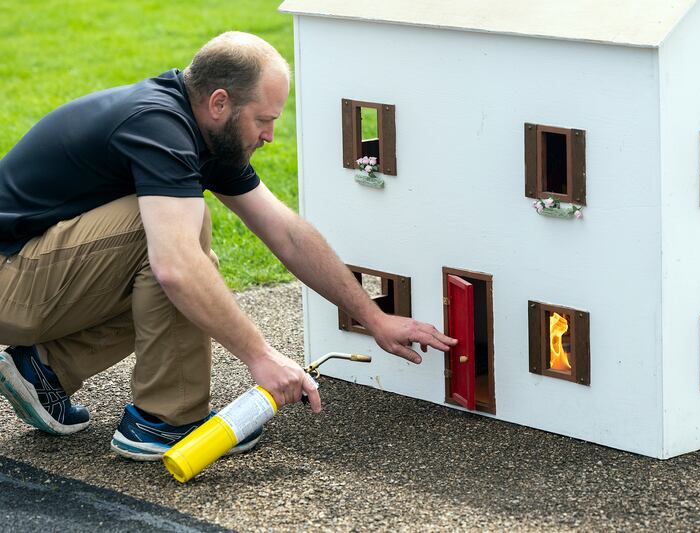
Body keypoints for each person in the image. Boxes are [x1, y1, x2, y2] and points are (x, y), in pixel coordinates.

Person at [0, 32, 456, 461]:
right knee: (180, 246)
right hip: (9, 281)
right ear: (220, 102)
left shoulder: (202, 132)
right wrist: (263, 358)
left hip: (24, 276)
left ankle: (45, 371)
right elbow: (176, 268)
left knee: (196, 265)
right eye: (264, 119)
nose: (270, 135)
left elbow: (287, 233)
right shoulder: (157, 126)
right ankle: (164, 424)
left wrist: (374, 317)